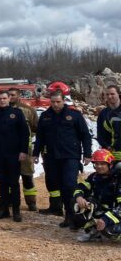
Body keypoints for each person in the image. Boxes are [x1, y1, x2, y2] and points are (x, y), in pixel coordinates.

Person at [34, 89, 92, 229]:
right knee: (55, 184)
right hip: (52, 157)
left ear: (63, 100)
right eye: (52, 102)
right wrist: (35, 153)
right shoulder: (46, 116)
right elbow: (40, 137)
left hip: (70, 156)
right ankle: (64, 212)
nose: (55, 105)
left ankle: (72, 216)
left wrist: (88, 154)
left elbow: (85, 135)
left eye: (58, 102)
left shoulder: (74, 115)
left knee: (69, 186)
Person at [0, 91, 29, 221]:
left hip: (14, 153)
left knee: (14, 183)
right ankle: (4, 209)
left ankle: (16, 210)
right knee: (2, 182)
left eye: (5, 98)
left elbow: (24, 133)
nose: (2, 100)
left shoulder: (17, 113)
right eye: (0, 99)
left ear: (9, 98)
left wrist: (23, 151)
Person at [74, 149, 121, 242]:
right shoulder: (94, 177)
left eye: (102, 164)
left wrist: (106, 219)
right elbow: (80, 187)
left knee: (112, 232)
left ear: (110, 164)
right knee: (78, 204)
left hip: (116, 213)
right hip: (105, 211)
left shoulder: (118, 179)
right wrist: (79, 197)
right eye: (97, 164)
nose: (99, 166)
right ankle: (94, 231)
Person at [8, 88, 39, 211]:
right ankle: (11, 200)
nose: (10, 97)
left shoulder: (29, 110)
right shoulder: (3, 110)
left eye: (13, 95)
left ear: (19, 96)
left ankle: (31, 203)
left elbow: (36, 128)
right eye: (8, 95)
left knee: (27, 176)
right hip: (9, 150)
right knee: (10, 177)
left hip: (26, 151)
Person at [97, 84, 121, 161]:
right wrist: (106, 146)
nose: (110, 96)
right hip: (110, 154)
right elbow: (100, 133)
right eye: (107, 94)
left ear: (118, 94)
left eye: (112, 94)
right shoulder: (103, 113)